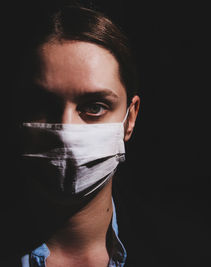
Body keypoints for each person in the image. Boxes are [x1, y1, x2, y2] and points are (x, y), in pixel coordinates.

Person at [17, 4, 140, 267]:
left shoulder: (192, 251)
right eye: (44, 106)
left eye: (94, 107)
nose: (66, 132)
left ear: (130, 118)